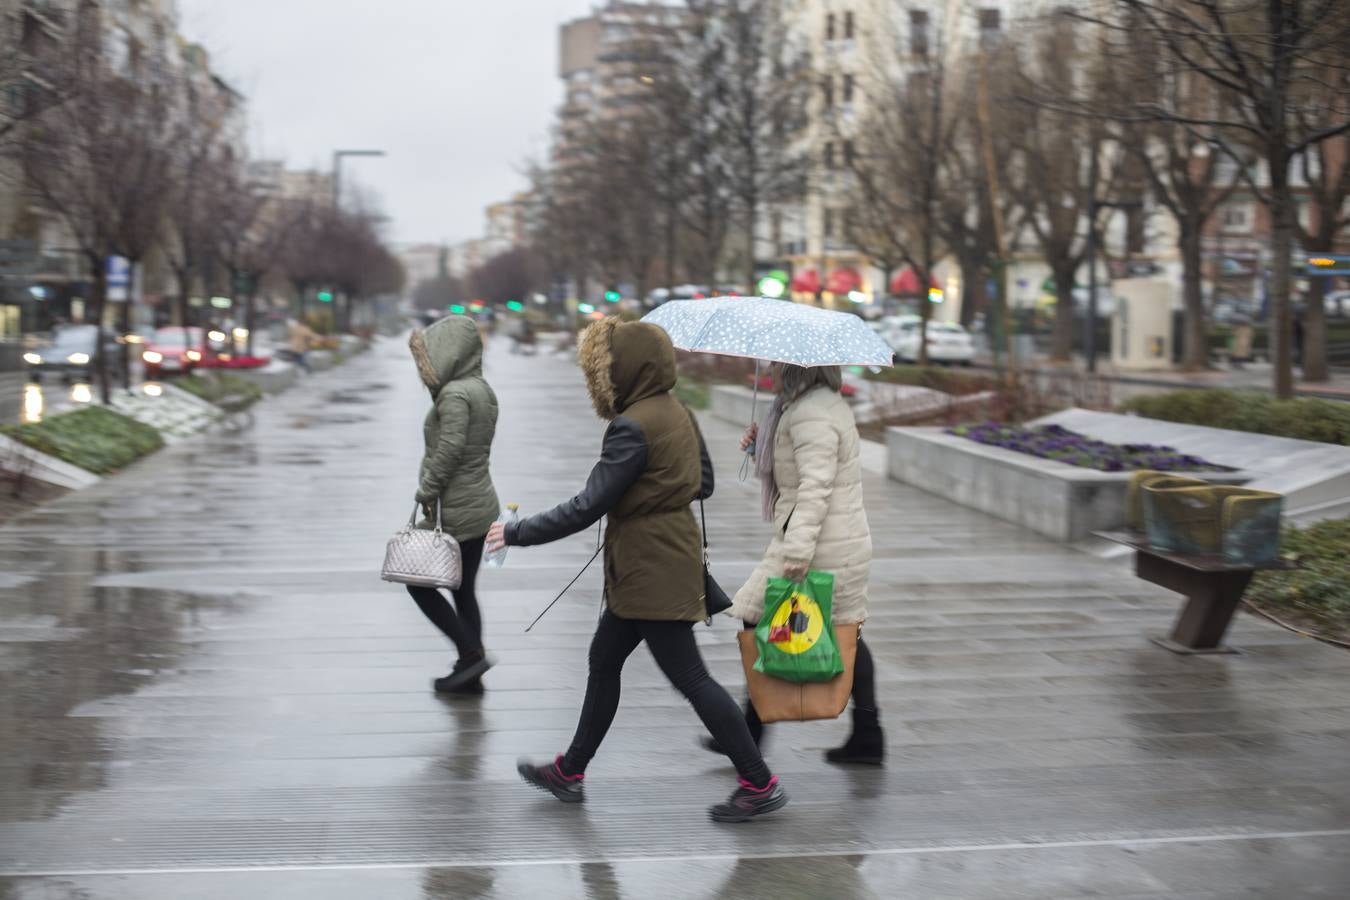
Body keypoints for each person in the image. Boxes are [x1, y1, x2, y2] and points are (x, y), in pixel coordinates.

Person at [488, 317, 787, 823]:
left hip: (651, 566)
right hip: (663, 555)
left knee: (689, 676)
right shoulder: (678, 412)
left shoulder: (631, 425)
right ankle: (570, 771)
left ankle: (759, 781)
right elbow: (704, 484)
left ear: (623, 369)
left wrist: (516, 533)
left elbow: (588, 504)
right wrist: (660, 491)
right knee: (604, 659)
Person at [713, 363, 883, 765]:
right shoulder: (804, 406)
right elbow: (798, 475)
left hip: (821, 543)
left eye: (776, 363)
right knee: (845, 634)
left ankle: (749, 734)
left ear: (795, 367)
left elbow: (816, 486)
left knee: (759, 617)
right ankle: (867, 736)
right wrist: (763, 447)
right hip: (826, 539)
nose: (770, 368)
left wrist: (798, 551)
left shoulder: (811, 412)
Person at [407, 316, 500, 693]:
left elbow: (449, 450)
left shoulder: (455, 395)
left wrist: (426, 491)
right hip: (481, 505)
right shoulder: (482, 388)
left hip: (457, 509)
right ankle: (469, 672)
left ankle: (471, 654)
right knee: (463, 590)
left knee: (418, 585)